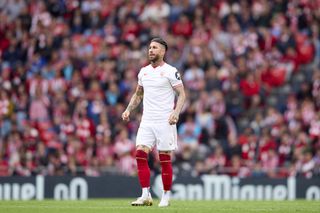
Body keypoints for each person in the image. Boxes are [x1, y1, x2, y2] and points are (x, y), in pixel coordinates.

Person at [121, 37, 186, 207]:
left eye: (155, 47)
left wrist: (176, 112)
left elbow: (182, 94)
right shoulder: (143, 72)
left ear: (163, 51)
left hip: (165, 121)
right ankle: (145, 195)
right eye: (149, 47)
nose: (151, 50)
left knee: (164, 158)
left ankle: (165, 196)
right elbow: (138, 94)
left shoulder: (171, 71)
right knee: (140, 154)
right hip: (147, 120)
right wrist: (128, 109)